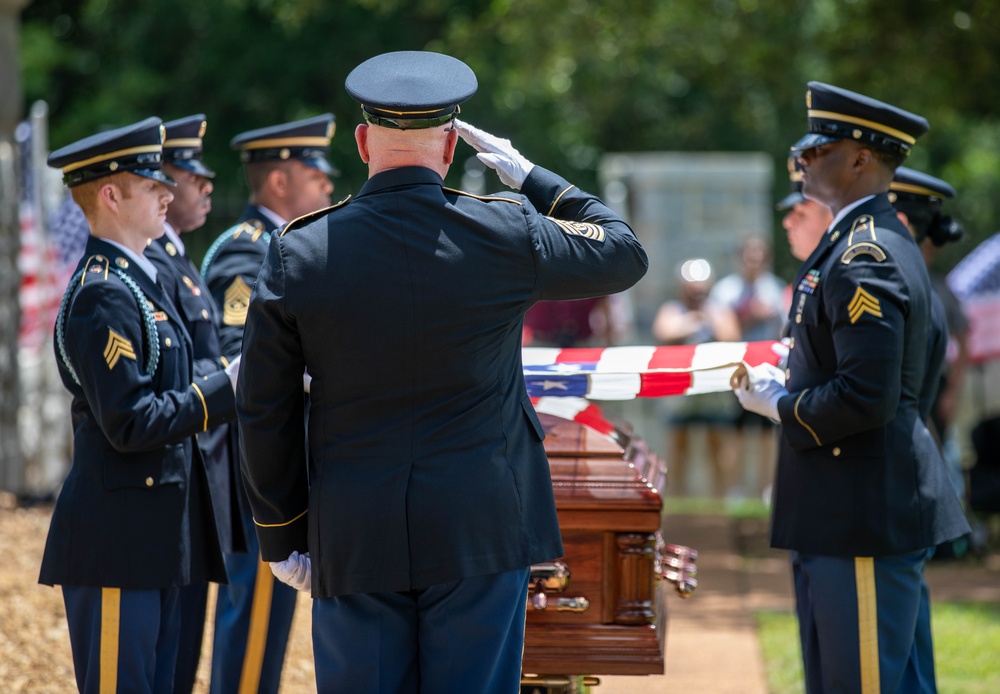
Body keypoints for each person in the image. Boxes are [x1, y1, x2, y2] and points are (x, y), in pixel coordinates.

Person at [235, 50, 649, 693]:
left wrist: (282, 534)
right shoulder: (505, 230)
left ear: (363, 141)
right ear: (452, 145)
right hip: (478, 528)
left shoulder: (301, 249)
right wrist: (534, 178)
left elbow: (265, 406)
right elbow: (622, 251)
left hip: (355, 531)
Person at [734, 82, 970, 693]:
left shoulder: (866, 255)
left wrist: (782, 406)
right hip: (846, 507)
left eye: (820, 149)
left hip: (858, 509)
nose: (804, 159)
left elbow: (867, 394)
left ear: (861, 159)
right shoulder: (853, 242)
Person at [40, 117, 238, 693]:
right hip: (118, 543)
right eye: (152, 185)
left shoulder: (139, 281)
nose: (168, 193)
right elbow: (131, 422)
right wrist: (228, 387)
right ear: (110, 194)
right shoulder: (104, 292)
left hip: (152, 541)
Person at [200, 113, 335, 694]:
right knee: (253, 623)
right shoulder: (247, 250)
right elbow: (241, 358)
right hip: (256, 464)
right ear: (280, 181)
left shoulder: (286, 244)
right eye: (314, 173)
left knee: (267, 624)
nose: (328, 185)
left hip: (277, 456)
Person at [142, 114, 244, 693]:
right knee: (164, 660)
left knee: (181, 660)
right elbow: (169, 375)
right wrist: (233, 376)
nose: (204, 186)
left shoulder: (176, 259)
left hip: (199, 472)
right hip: (175, 473)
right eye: (188, 175)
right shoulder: (153, 263)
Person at [890, 167, 968, 499]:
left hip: (931, 388)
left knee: (939, 457)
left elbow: (963, 338)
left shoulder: (929, 288)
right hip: (923, 390)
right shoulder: (919, 284)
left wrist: (952, 391)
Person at [652, 258, 741, 497]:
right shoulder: (672, 309)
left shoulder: (718, 310)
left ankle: (721, 498)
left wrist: (708, 316)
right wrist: (691, 322)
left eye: (700, 291)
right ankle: (677, 499)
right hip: (680, 390)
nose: (696, 296)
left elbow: (731, 337)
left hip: (714, 391)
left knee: (719, 447)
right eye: (692, 291)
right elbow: (663, 331)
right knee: (678, 447)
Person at [709, 236, 787, 499]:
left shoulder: (776, 289)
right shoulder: (725, 291)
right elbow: (724, 333)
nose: (754, 260)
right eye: (749, 254)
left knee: (768, 433)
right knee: (735, 433)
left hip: (770, 370)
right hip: (735, 371)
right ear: (740, 257)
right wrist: (751, 317)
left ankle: (766, 489)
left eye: (760, 254)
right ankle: (735, 491)